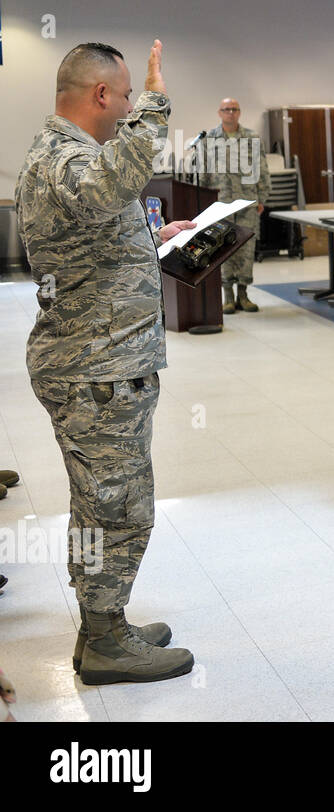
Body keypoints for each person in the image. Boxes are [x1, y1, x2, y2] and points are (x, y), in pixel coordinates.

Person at [16, 40, 195, 684]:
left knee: (107, 502)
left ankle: (105, 625)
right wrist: (156, 104)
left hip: (104, 361)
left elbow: (95, 229)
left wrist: (153, 238)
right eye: (123, 98)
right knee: (112, 507)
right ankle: (105, 641)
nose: (127, 109)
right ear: (102, 96)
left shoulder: (72, 158)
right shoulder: (65, 158)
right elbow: (110, 183)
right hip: (94, 369)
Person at [198, 97, 270, 314]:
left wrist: (262, 198)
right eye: (226, 109)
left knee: (246, 248)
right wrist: (202, 202)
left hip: (247, 202)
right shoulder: (209, 139)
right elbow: (203, 173)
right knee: (223, 248)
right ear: (219, 113)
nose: (230, 113)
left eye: (234, 109)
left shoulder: (252, 138)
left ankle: (243, 295)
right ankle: (227, 296)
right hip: (220, 204)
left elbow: (262, 169)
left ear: (239, 113)